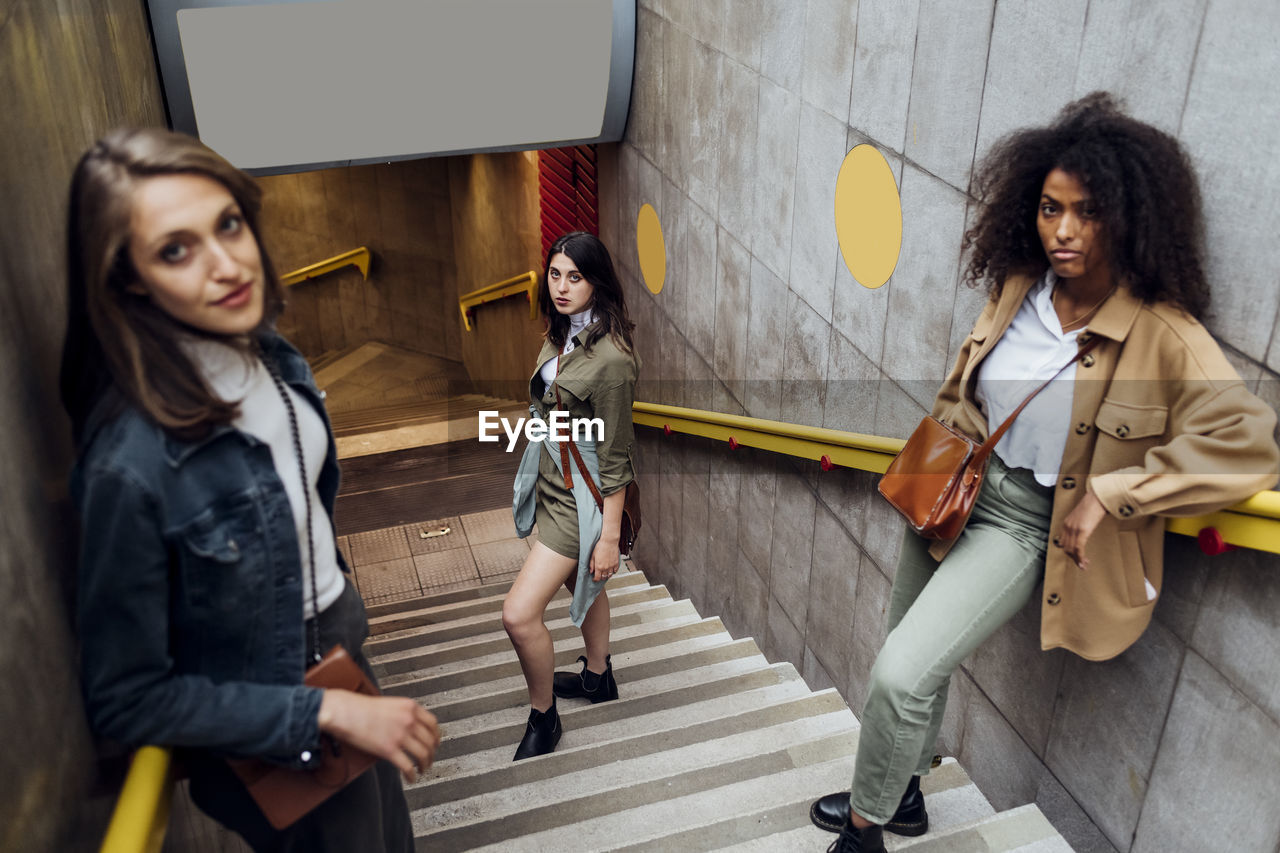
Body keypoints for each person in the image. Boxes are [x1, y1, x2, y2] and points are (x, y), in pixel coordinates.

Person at [812, 93, 1280, 853]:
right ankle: (901, 795)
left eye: (1087, 211)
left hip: (1024, 523)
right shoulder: (1020, 283)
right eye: (1049, 207)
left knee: (901, 674)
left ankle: (864, 834)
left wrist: (1114, 490)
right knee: (906, 646)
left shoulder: (1160, 331)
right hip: (955, 487)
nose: (1063, 230)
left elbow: (1249, 443)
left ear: (1128, 216)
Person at [61, 128, 440, 852]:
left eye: (227, 224)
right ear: (130, 278)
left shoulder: (269, 352)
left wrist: (346, 650)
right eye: (176, 249)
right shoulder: (133, 462)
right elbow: (126, 698)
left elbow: (299, 511)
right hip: (279, 716)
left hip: (339, 658)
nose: (225, 263)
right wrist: (322, 712)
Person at [504, 231, 640, 760]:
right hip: (552, 482)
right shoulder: (562, 331)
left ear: (596, 281)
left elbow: (616, 458)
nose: (561, 287)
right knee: (580, 586)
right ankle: (598, 676)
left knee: (517, 614)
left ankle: (544, 715)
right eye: (555, 274)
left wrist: (607, 539)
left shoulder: (611, 361)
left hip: (578, 500)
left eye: (575, 277)